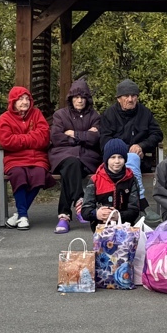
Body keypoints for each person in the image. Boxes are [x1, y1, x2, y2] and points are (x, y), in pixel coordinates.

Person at [48, 79, 102, 234]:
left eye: (83, 97)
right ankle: (79, 199)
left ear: (87, 99)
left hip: (87, 158)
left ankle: (64, 217)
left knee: (72, 170)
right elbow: (56, 137)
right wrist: (84, 136)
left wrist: (74, 134)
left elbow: (96, 138)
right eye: (76, 97)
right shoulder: (60, 115)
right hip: (62, 156)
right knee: (72, 164)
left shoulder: (94, 116)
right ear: (71, 98)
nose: (79, 100)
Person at [0, 86, 54, 230]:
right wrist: (31, 138)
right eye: (20, 99)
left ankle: (20, 215)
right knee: (18, 174)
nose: (25, 102)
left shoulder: (37, 114)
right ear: (13, 101)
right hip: (14, 159)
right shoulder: (5, 118)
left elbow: (44, 138)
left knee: (40, 174)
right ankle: (22, 215)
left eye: (27, 99)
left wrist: (20, 139)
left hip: (37, 157)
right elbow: (6, 141)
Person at [99, 79, 163, 179]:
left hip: (141, 160)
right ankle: (135, 188)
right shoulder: (109, 115)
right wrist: (128, 150)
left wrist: (141, 146)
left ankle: (132, 187)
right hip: (115, 160)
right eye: (126, 96)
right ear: (118, 98)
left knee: (134, 159)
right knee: (130, 159)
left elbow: (157, 134)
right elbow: (105, 141)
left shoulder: (145, 113)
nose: (130, 99)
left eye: (133, 96)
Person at [81, 138, 141, 230]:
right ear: (106, 159)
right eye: (113, 157)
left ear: (125, 159)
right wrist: (96, 214)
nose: (117, 161)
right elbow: (85, 211)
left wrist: (119, 216)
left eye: (120, 157)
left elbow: (135, 210)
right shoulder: (95, 180)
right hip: (101, 230)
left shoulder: (131, 179)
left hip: (125, 230)